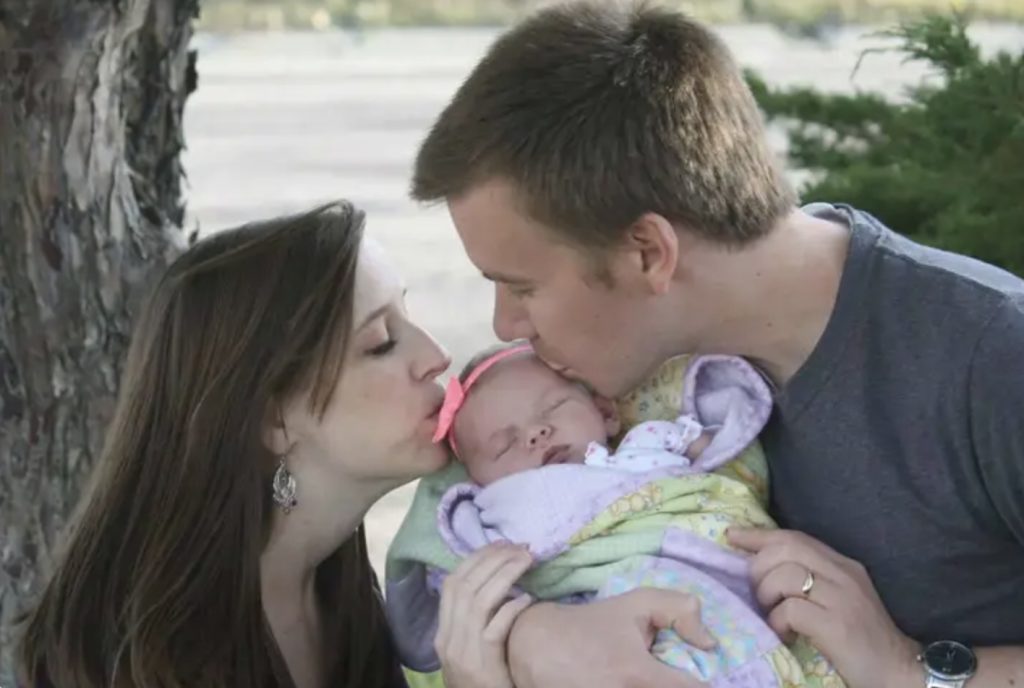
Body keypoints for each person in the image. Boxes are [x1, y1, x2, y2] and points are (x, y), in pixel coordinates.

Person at [409, 1, 1024, 687]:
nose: (504, 327)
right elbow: (431, 560)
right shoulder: (593, 385)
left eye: (519, 286)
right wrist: (531, 634)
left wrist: (912, 671)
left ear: (648, 253)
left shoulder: (991, 358)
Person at [14, 201, 584, 688]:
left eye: (408, 318)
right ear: (272, 419)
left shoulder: (351, 598)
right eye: (381, 343)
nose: (435, 354)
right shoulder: (132, 659)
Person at [387, 341, 847, 687]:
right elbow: (460, 583)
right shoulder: (494, 511)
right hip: (615, 621)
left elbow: (714, 450)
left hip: (723, 572)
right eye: (504, 443)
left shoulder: (648, 440)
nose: (536, 433)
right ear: (476, 482)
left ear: (605, 412)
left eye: (553, 408)